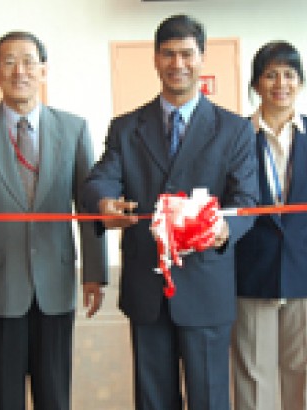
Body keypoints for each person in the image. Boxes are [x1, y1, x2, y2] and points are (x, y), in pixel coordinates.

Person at [81, 14, 259, 410]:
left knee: (210, 399)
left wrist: (225, 231)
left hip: (206, 286)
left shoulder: (234, 130)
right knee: (152, 400)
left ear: (202, 57)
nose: (178, 63)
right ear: (155, 59)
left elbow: (248, 201)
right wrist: (103, 203)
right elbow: (100, 180)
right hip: (147, 289)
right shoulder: (126, 128)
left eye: (186, 54)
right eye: (168, 54)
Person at [0, 31, 107, 410]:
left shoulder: (73, 129)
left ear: (44, 70)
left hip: (55, 282)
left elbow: (87, 206)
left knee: (55, 393)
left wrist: (95, 272)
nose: (19, 71)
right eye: (8, 62)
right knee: (2, 396)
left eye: (29, 61)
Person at [232, 41, 307, 410]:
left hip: (306, 268)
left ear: (301, 81)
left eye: (290, 74)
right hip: (251, 267)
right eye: (270, 74)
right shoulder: (236, 133)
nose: (281, 83)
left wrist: (298, 241)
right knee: (252, 374)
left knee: (306, 374)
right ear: (256, 83)